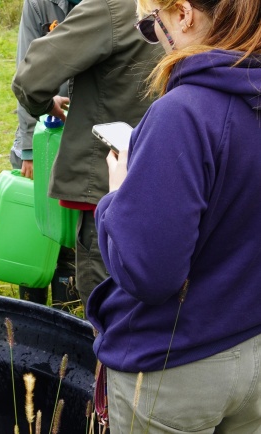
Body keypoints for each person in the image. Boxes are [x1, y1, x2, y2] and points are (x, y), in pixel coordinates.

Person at [87, 0, 261, 431]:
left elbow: (149, 274)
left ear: (183, 13)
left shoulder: (182, 112)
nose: (155, 42)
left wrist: (118, 193)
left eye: (152, 25)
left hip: (174, 365)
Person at [11, 0, 162, 309]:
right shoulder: (200, 9)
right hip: (180, 183)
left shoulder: (113, 8)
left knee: (109, 307)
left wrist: (45, 105)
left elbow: (30, 79)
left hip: (110, 187)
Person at [10, 0, 80, 310]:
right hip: (42, 125)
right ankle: (31, 309)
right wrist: (29, 150)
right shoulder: (39, 4)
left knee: (72, 229)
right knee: (36, 223)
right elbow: (26, 71)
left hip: (86, 128)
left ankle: (67, 308)